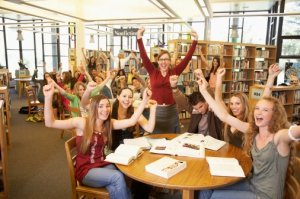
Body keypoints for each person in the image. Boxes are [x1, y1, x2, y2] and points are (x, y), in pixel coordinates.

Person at [44, 81, 152, 199]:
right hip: (86, 170)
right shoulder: (82, 122)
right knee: (117, 177)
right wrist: (48, 98)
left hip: (102, 164)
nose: (105, 110)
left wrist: (145, 100)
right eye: (100, 106)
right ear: (93, 108)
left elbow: (131, 121)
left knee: (117, 180)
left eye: (107, 106)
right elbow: (50, 123)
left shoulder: (108, 123)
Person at [196, 76, 300, 199]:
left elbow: (294, 132)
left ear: (274, 115)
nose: (259, 112)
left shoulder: (279, 138)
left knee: (215, 196)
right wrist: (203, 91)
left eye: (265, 110)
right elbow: (224, 116)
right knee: (207, 188)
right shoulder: (253, 131)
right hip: (253, 183)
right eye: (257, 108)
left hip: (266, 195)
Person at [137, 27, 198, 134]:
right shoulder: (152, 71)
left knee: (172, 141)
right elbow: (143, 56)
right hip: (156, 111)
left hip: (171, 112)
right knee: (155, 141)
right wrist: (139, 37)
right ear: (158, 61)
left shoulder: (175, 71)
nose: (164, 62)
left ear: (170, 61)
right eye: (161, 59)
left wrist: (195, 41)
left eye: (166, 59)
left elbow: (187, 58)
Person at [210, 64, 281, 148]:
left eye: (237, 103)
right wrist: (219, 77)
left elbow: (265, 98)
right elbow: (218, 100)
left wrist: (271, 77)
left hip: (245, 158)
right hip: (230, 157)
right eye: (231, 104)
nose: (233, 107)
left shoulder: (251, 119)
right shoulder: (229, 117)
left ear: (244, 104)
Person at [170, 75, 223, 139]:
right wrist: (174, 87)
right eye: (196, 109)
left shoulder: (213, 109)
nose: (199, 111)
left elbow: (213, 96)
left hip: (213, 142)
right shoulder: (195, 111)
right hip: (198, 141)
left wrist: (204, 82)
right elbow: (182, 101)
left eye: (201, 106)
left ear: (206, 101)